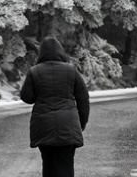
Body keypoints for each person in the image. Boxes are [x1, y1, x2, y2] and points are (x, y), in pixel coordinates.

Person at [20, 37, 90, 177]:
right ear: (61, 53)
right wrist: (81, 123)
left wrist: (39, 95)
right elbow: (83, 99)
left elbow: (26, 97)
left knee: (49, 165)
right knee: (66, 166)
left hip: (44, 127)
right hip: (68, 125)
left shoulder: (34, 71)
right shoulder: (71, 70)